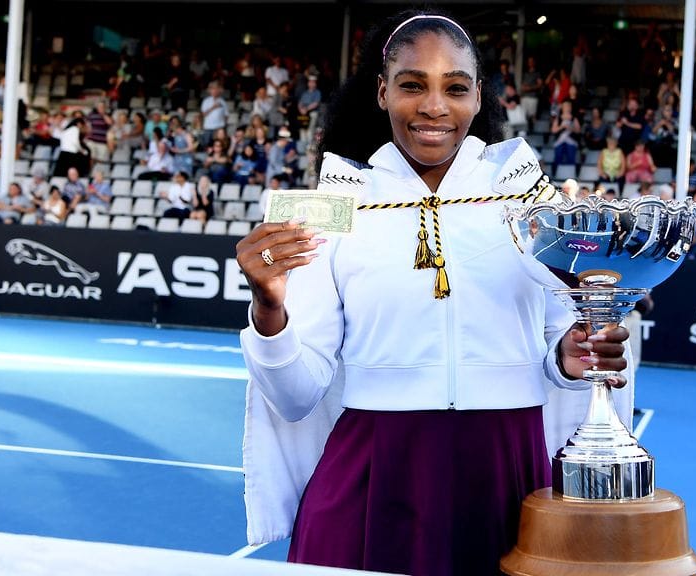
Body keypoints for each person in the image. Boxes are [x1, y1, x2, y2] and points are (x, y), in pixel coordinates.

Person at [234, 12, 629, 575]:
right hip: (376, 464)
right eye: (412, 84)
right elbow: (297, 398)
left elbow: (560, 346)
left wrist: (569, 355)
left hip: (505, 464)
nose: (434, 107)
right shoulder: (335, 209)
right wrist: (270, 309)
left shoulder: (533, 203)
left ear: (478, 96)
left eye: (455, 88)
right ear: (382, 91)